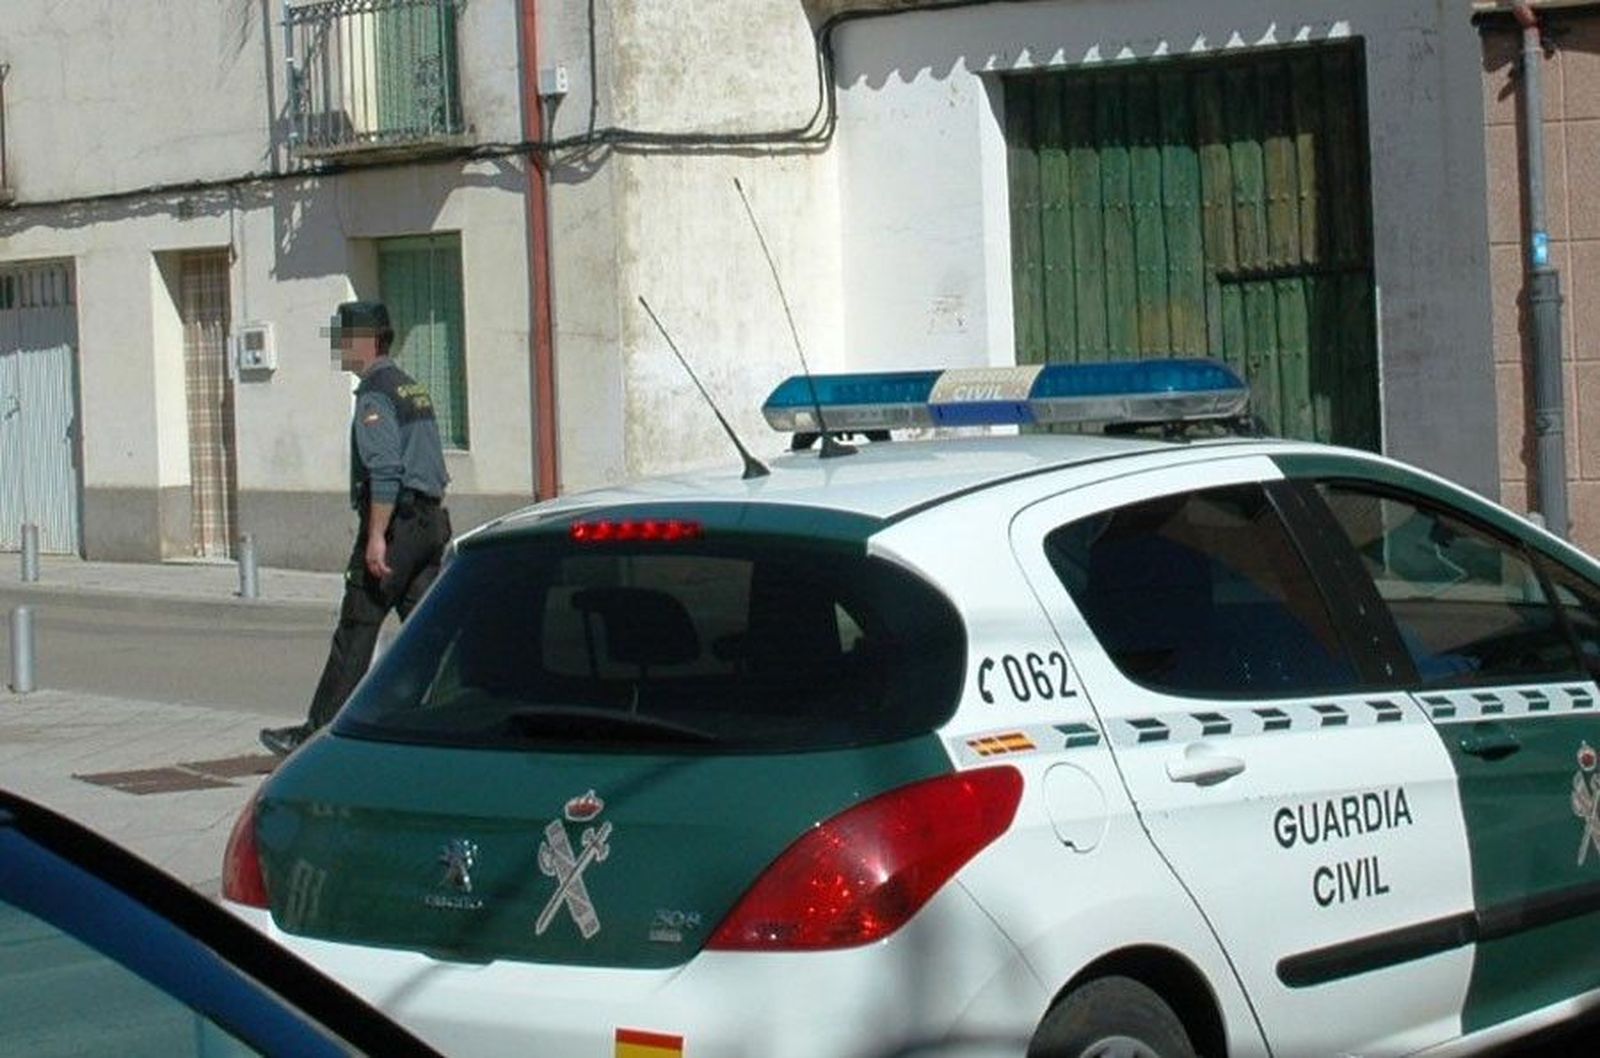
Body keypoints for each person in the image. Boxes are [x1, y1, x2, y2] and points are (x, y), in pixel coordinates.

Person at [260, 301, 451, 757]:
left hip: (397, 526)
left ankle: (317, 736)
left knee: (357, 627)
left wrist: (376, 537)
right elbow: (434, 465)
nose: (341, 348)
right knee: (430, 631)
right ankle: (460, 712)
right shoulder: (412, 388)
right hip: (429, 522)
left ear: (367, 341)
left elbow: (385, 470)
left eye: (344, 339)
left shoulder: (375, 394)